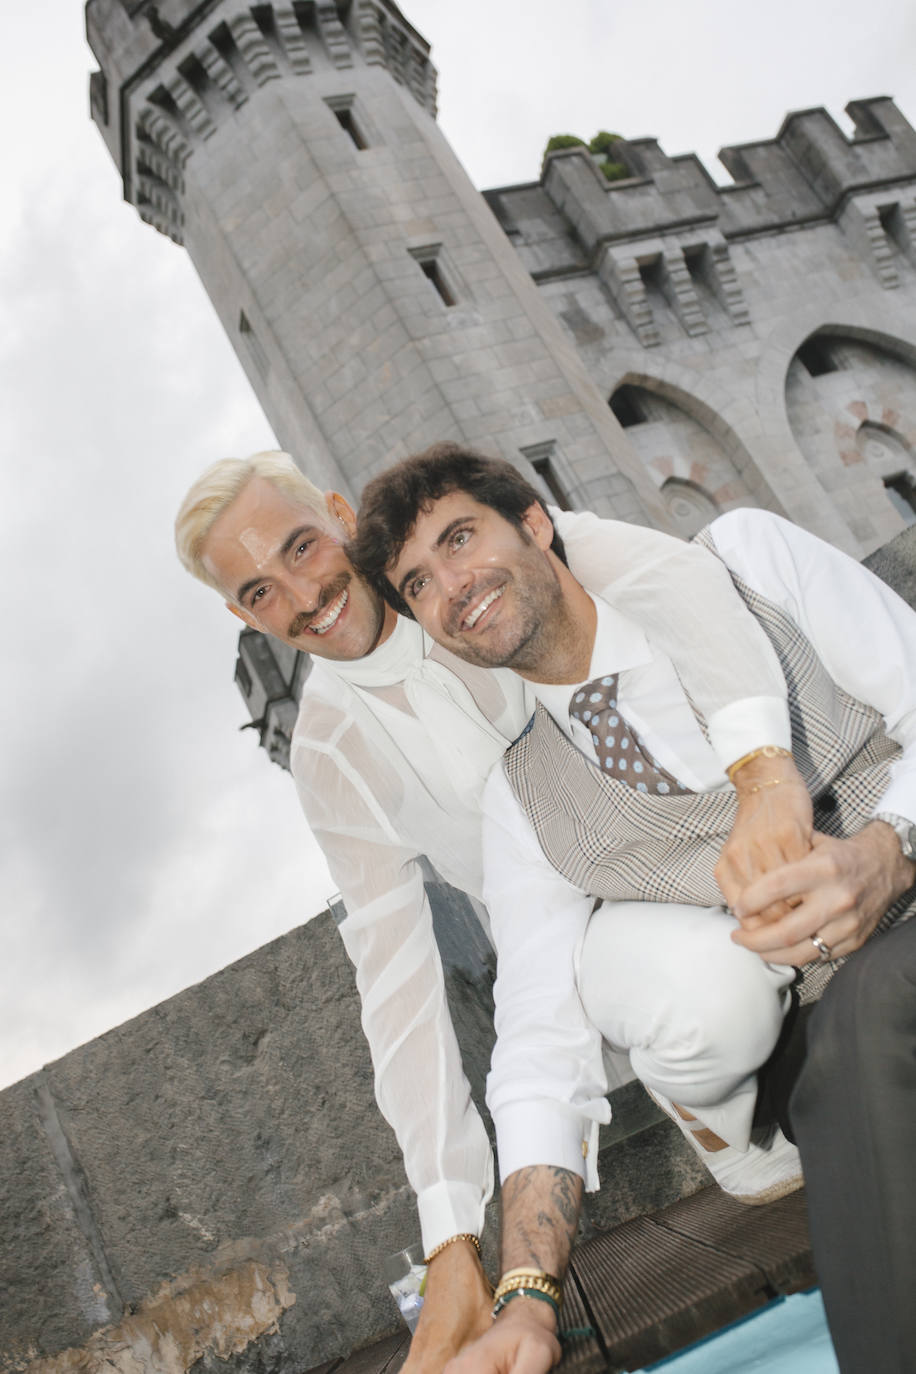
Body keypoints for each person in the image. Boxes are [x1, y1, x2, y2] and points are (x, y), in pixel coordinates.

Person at [176, 450, 809, 1372]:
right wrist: (449, 1237)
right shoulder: (326, 755)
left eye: (305, 546)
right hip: (591, 939)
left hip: (705, 817)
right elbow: (394, 984)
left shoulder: (483, 552)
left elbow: (682, 581)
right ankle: (710, 1097)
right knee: (713, 1005)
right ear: (242, 616)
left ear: (345, 517)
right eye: (261, 591)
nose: (305, 595)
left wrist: (766, 779)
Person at [351, 445, 916, 1374]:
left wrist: (887, 849)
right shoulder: (522, 798)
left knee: (871, 1025)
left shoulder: (746, 563)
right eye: (417, 583)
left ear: (536, 523)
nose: (450, 587)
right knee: (835, 1066)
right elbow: (539, 1044)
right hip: (812, 1026)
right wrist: (527, 1300)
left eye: (460, 539)